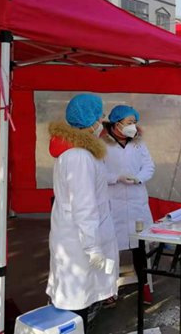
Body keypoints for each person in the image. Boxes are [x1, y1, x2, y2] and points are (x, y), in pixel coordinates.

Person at [47, 94, 119, 333]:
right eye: (99, 116)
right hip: (78, 241)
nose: (102, 120)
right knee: (76, 300)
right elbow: (84, 206)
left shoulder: (78, 151)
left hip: (76, 237)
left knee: (80, 295)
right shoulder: (79, 156)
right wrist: (93, 247)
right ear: (88, 120)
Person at [101, 105, 155, 305]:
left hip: (136, 201)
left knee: (139, 247)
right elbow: (97, 172)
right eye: (129, 122)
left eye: (134, 122)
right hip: (112, 201)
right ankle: (107, 290)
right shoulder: (102, 145)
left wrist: (139, 178)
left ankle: (144, 285)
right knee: (110, 249)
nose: (133, 126)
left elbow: (149, 166)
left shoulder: (139, 143)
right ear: (117, 124)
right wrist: (116, 177)